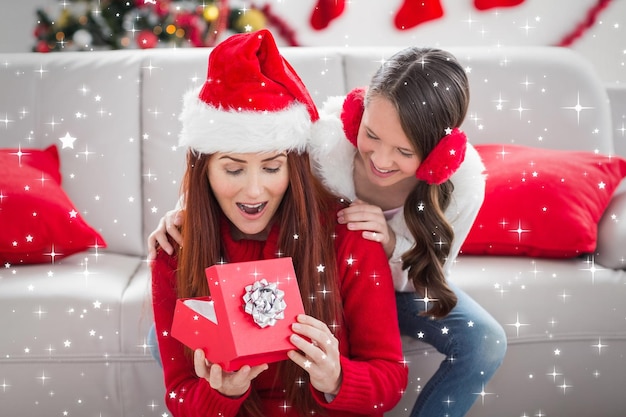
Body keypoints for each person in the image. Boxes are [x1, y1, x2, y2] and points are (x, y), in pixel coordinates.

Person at [149, 45, 507, 417]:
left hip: (405, 279)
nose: (381, 161)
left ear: (438, 156)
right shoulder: (326, 142)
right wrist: (183, 217)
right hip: (334, 258)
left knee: (483, 340)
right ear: (357, 118)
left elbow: (429, 283)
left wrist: (338, 376)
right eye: (372, 135)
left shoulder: (456, 190)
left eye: (404, 150)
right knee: (168, 336)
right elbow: (238, 152)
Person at [149, 29, 407, 417]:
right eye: (233, 169)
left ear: (294, 167)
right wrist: (223, 394)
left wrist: (337, 377)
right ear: (204, 172)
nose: (254, 191)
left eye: (272, 167)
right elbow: (180, 396)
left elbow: (389, 380)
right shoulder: (176, 250)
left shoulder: (348, 236)